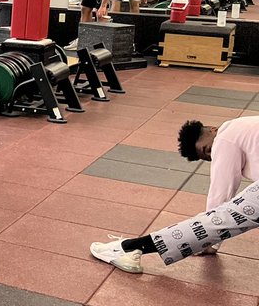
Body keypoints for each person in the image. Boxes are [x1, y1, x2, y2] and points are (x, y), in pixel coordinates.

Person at [90, 117, 259, 272]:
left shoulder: (224, 137)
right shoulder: (245, 127)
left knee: (224, 217)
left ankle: (127, 248)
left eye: (207, 149)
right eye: (208, 157)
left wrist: (210, 241)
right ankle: (129, 248)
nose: (212, 154)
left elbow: (221, 196)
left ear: (213, 130)